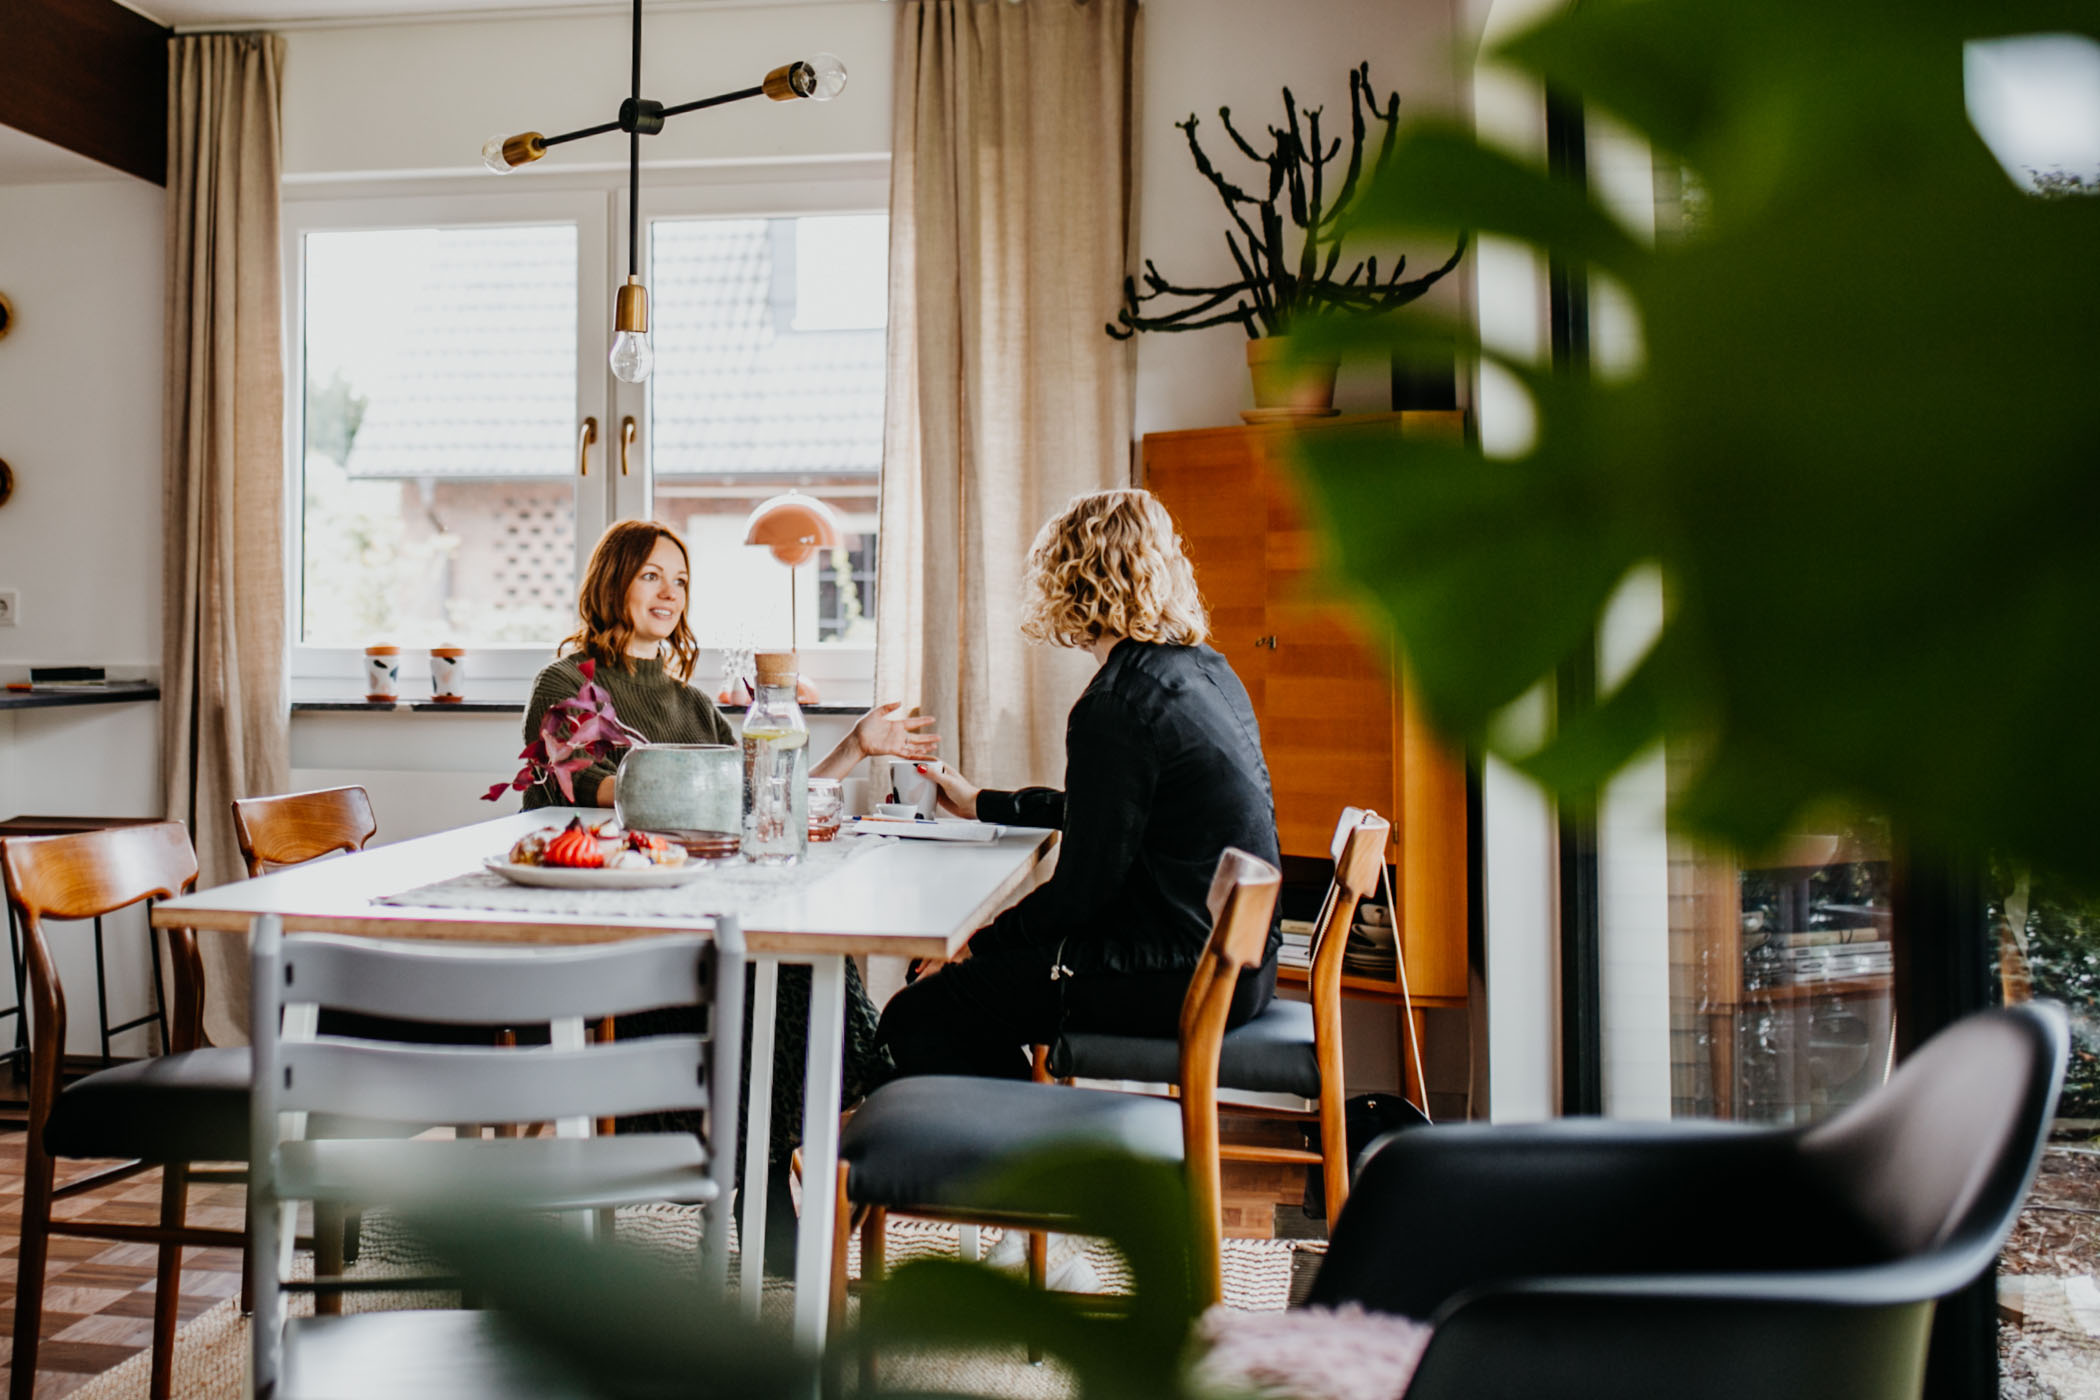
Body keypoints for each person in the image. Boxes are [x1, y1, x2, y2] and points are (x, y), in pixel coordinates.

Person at [520, 518, 931, 1244]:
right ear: (611, 581)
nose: (669, 592)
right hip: (618, 935)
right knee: (775, 982)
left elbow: (760, 799)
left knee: (801, 968)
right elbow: (602, 792)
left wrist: (854, 747)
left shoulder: (692, 703)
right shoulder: (565, 686)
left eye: (679, 579)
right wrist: (721, 782)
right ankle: (789, 1181)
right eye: (652, 574)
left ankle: (771, 1179)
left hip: (697, 918)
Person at [879, 488, 1282, 1080]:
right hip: (1243, 964)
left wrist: (972, 945)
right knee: (968, 995)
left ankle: (1019, 1160)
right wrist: (981, 803)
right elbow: (1115, 813)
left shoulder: (1115, 704)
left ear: (1071, 580)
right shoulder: (1203, 671)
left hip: (1179, 975)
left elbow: (1080, 895)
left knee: (919, 1016)